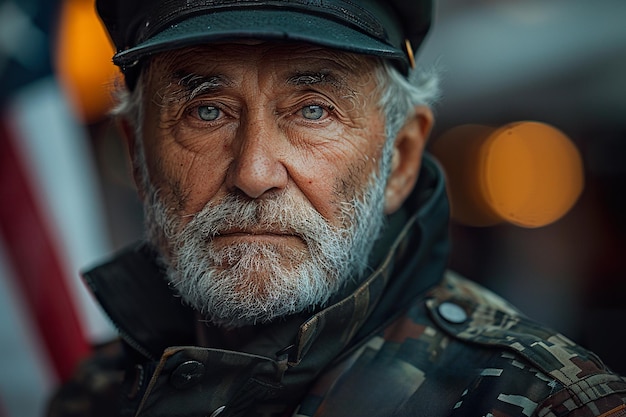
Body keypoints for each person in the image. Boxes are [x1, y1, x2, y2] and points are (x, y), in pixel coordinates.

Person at [47, 1, 626, 416]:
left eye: (314, 110)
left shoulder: (544, 402)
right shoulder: (97, 392)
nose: (253, 174)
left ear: (399, 159)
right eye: (206, 111)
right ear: (137, 157)